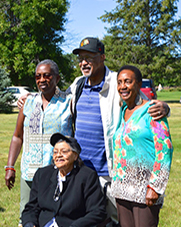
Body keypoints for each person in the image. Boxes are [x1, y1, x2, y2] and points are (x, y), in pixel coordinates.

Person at [17, 37, 170, 225]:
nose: (83, 63)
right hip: (82, 172)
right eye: (81, 58)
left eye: (89, 57)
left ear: (102, 57)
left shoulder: (116, 81)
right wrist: (31, 97)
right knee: (90, 220)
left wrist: (164, 107)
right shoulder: (78, 84)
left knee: (119, 220)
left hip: (111, 172)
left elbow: (142, 102)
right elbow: (57, 97)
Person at [5, 59, 73, 226]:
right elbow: (17, 136)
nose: (42, 80)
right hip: (30, 172)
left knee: (56, 218)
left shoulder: (69, 102)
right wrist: (10, 166)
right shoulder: (27, 102)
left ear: (57, 78)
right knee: (27, 216)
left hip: (58, 172)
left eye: (47, 75)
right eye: (38, 76)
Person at [111, 65, 173, 227]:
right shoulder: (123, 110)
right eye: (119, 82)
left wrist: (155, 186)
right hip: (122, 190)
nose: (122, 86)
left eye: (127, 82)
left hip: (144, 190)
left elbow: (164, 149)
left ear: (138, 85)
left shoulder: (152, 110)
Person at [22, 133, 106, 227]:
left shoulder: (87, 176)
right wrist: (29, 223)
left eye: (64, 151)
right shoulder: (42, 174)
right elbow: (31, 208)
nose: (59, 155)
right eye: (55, 152)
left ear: (75, 156)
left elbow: (97, 212)